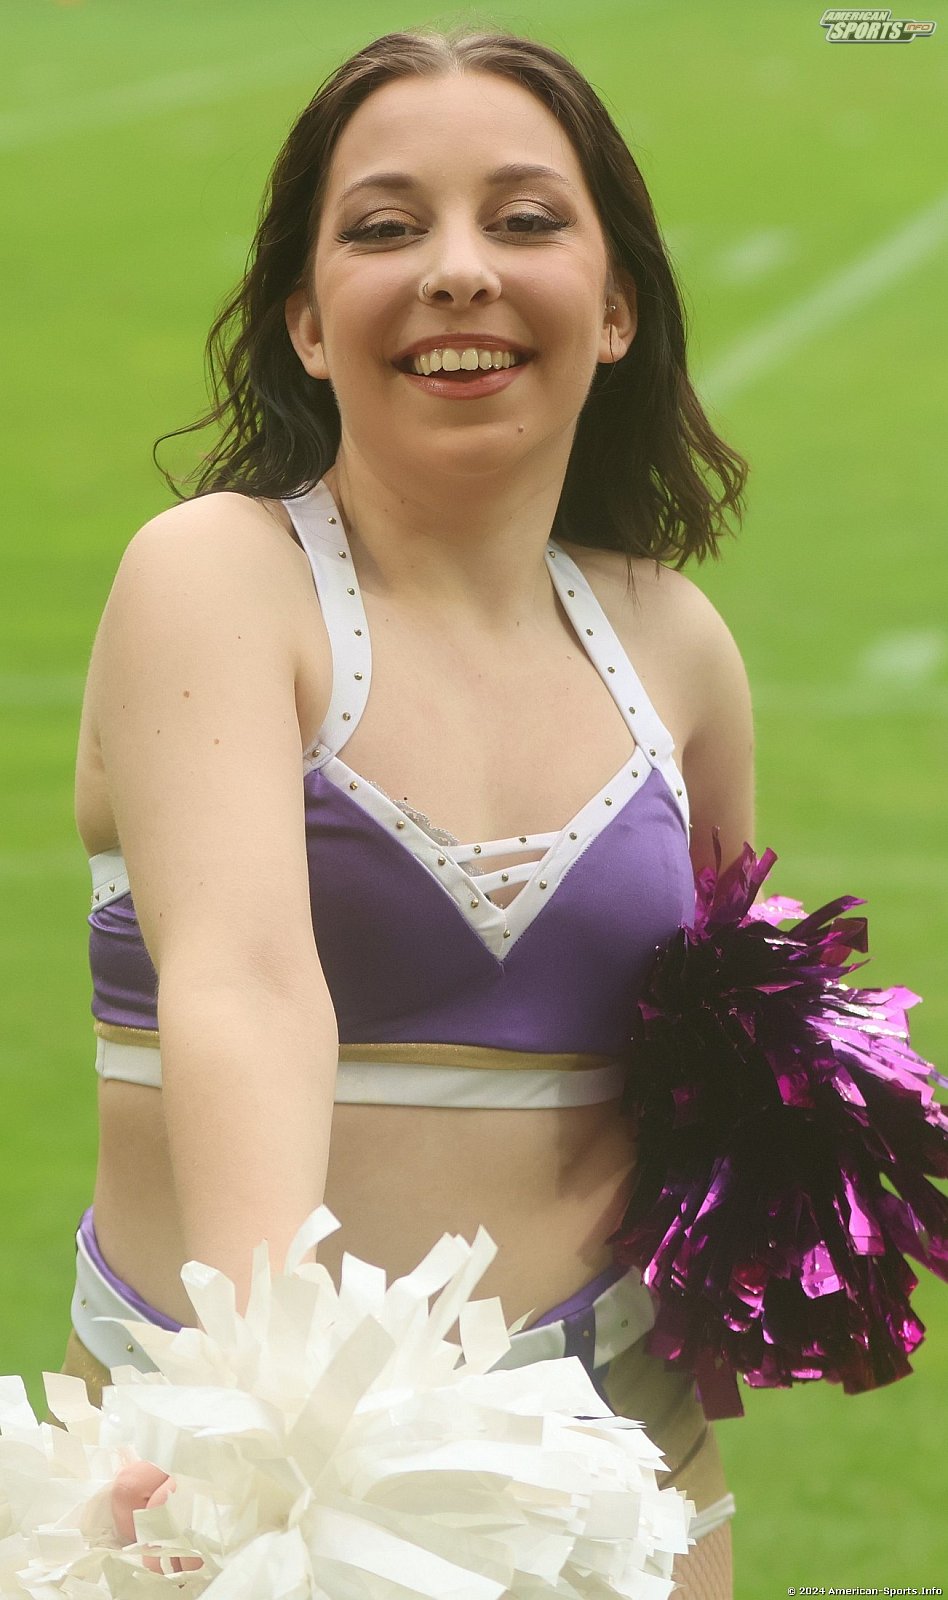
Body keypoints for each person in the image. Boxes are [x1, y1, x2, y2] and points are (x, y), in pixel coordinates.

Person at [67, 29, 752, 1597]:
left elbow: (717, 1055)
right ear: (307, 322)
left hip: (620, 1477)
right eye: (385, 227)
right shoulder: (219, 576)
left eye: (525, 221)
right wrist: (273, 1425)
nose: (457, 270)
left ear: (618, 305)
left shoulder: (677, 646)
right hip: (239, 1485)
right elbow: (244, 981)